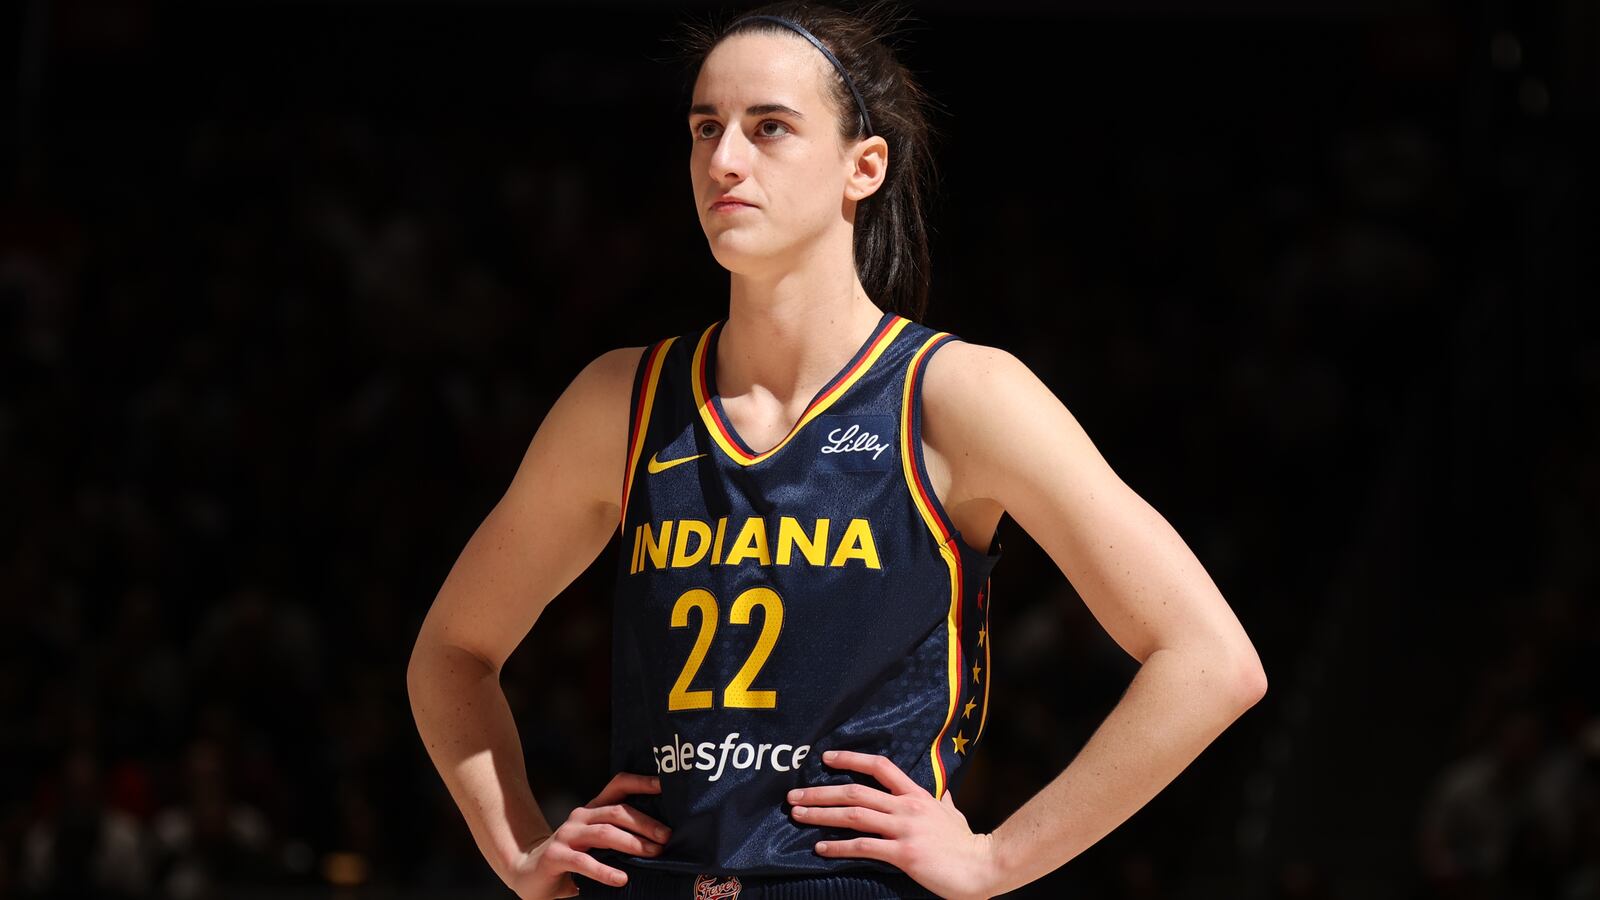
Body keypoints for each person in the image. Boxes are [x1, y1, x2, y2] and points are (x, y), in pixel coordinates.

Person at [406, 3, 1268, 899]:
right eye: (706, 129)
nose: (723, 160)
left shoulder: (957, 395)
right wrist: (518, 851)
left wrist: (996, 858)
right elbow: (452, 652)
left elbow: (1210, 661)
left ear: (865, 168)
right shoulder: (617, 403)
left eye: (769, 127)